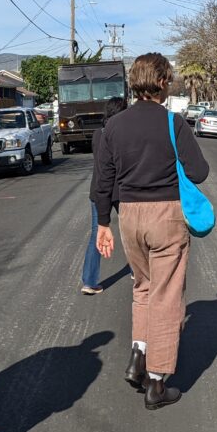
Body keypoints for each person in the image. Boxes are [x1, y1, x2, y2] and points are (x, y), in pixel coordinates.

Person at [94, 53, 209, 410]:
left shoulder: (113, 127)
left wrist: (103, 223)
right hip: (166, 215)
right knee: (167, 295)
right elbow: (200, 171)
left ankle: (138, 354)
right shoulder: (173, 124)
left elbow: (103, 182)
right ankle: (157, 383)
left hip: (128, 215)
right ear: (161, 82)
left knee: (142, 287)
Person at [81, 96, 128, 295]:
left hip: (98, 190)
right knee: (130, 232)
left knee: (97, 234)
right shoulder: (123, 133)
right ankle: (138, 270)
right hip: (120, 189)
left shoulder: (97, 134)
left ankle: (89, 282)